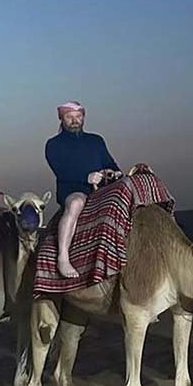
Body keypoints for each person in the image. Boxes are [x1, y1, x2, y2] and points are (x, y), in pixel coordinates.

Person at [44, 101, 121, 278]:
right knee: (76, 203)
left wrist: (114, 172)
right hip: (72, 188)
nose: (74, 121)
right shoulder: (53, 144)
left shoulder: (96, 140)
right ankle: (63, 257)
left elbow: (110, 162)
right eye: (69, 117)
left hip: (101, 187)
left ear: (83, 118)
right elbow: (61, 170)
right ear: (61, 119)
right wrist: (86, 177)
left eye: (78, 117)